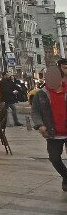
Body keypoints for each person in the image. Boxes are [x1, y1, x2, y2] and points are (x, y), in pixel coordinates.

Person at [32, 64, 67, 192]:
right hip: (53, 132)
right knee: (54, 158)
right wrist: (40, 125)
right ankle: (66, 176)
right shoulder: (41, 94)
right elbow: (35, 112)